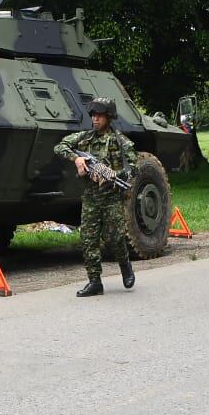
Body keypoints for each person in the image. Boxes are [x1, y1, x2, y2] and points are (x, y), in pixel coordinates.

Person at [54, 97, 138, 297]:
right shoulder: (85, 138)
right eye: (93, 115)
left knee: (115, 238)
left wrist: (114, 176)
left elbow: (134, 166)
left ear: (109, 117)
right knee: (88, 240)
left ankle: (125, 265)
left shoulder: (120, 140)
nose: (95, 119)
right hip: (91, 197)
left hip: (112, 197)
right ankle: (95, 282)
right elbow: (60, 147)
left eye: (99, 116)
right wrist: (78, 159)